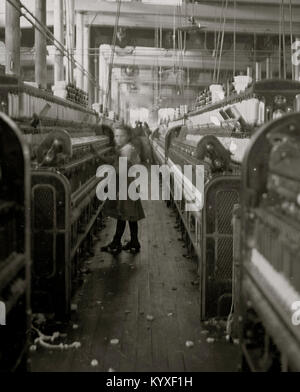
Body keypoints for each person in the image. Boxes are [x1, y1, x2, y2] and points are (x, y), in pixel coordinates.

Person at [100, 124, 145, 255]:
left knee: (123, 214)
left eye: (121, 136)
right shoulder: (127, 148)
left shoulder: (126, 150)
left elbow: (120, 169)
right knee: (130, 215)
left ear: (128, 136)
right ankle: (134, 242)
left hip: (126, 185)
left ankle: (117, 242)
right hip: (129, 185)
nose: (118, 139)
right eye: (116, 136)